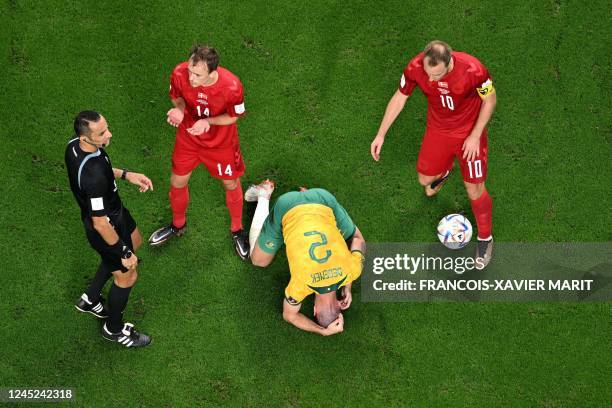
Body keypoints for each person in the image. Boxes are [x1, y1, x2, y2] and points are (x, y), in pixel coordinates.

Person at [370, 40, 496, 267]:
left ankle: (485, 238)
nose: (429, 80)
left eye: (436, 75)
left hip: (469, 132)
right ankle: (446, 169)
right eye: (427, 72)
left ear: (449, 64)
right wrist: (381, 134)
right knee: (425, 181)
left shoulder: (473, 69)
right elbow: (400, 96)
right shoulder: (415, 67)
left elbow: (490, 99)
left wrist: (475, 135)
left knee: (474, 188)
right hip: (438, 129)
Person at [148, 44, 249, 259]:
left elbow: (234, 116)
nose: (191, 78)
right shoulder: (179, 73)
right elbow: (177, 97)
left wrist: (208, 121)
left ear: (213, 72)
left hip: (221, 144)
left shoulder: (232, 86)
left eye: (198, 75)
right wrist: (180, 110)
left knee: (231, 183)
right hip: (188, 140)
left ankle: (237, 229)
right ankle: (177, 225)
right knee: (177, 181)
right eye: (190, 71)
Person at [66, 110, 153, 348]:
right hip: (106, 226)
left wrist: (127, 175)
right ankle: (113, 329)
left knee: (136, 241)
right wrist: (123, 253)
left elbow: (103, 169)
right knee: (127, 275)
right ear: (86, 138)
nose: (109, 134)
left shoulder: (75, 146)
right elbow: (100, 223)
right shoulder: (93, 179)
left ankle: (90, 298)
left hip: (116, 212)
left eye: (107, 127)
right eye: (102, 133)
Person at [246, 181, 366, 336]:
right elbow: (289, 315)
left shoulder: (353, 271)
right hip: (287, 205)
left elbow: (358, 242)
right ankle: (264, 195)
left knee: (355, 238)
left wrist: (347, 285)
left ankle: (309, 196)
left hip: (323, 198)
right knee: (258, 261)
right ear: (314, 310)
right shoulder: (301, 286)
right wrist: (322, 331)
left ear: (338, 302)